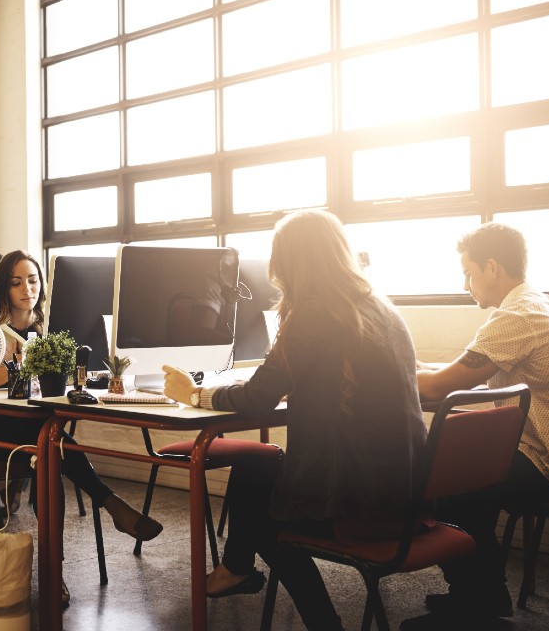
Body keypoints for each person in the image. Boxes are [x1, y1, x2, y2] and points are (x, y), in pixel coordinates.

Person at [163, 210, 427, 631]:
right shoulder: (378, 308)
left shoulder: (316, 312)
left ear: (290, 262)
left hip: (358, 497)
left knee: (265, 521)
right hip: (406, 489)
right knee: (258, 463)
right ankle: (235, 567)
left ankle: (317, 620)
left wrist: (191, 393)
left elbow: (256, 397)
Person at [0, 250, 163, 606]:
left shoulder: (46, 329)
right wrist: (0, 370)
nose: (27, 289)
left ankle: (57, 571)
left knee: (49, 450)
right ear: (4, 286)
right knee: (51, 445)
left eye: (33, 280)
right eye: (17, 281)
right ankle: (108, 506)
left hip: (25, 434)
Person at [404, 223, 549, 630]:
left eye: (468, 272)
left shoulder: (518, 315)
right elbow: (458, 373)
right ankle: (478, 595)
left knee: (450, 484)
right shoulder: (541, 304)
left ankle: (477, 606)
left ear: (492, 267)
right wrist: (408, 367)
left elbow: (443, 384)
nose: (465, 284)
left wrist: (380, 373)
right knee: (460, 483)